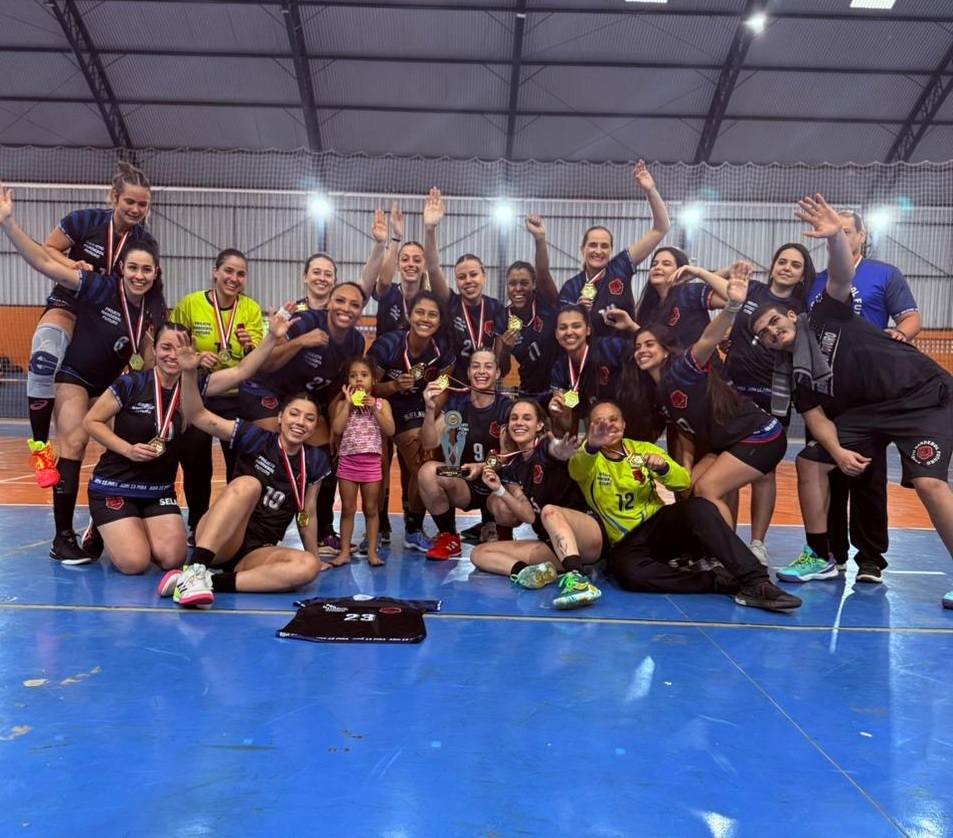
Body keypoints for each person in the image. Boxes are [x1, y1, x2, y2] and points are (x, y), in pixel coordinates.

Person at [750, 194, 953, 608]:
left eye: (774, 321)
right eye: (765, 334)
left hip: (921, 398)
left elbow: (841, 276)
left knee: (930, 484)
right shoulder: (798, 374)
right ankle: (820, 555)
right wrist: (839, 451)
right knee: (810, 462)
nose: (772, 331)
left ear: (792, 316)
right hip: (868, 414)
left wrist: (833, 241)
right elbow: (815, 417)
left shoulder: (825, 314)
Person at [0, 183, 167, 563]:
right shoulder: (99, 284)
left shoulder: (153, 313)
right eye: (133, 268)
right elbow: (44, 261)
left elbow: (151, 358)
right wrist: (8, 224)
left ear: (155, 273)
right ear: (122, 268)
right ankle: (61, 533)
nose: (139, 276)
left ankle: (102, 525)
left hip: (109, 384)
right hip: (75, 377)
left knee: (131, 444)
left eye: (147, 270)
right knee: (72, 441)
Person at [81, 310, 290, 574]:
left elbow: (241, 371)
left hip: (157, 490)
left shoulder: (194, 387)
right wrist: (127, 449)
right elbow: (91, 422)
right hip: (115, 485)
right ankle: (100, 524)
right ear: (154, 350)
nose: (172, 355)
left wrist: (271, 337)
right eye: (165, 347)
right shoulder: (131, 384)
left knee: (172, 560)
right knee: (135, 563)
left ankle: (132, 524)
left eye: (179, 348)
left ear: (190, 351)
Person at [613, 264, 788, 550]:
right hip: (730, 443)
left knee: (708, 488)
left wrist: (731, 307)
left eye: (650, 345)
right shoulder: (659, 392)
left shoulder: (683, 368)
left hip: (761, 436)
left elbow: (708, 338)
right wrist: (685, 468)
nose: (642, 350)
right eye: (638, 347)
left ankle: (730, 555)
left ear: (666, 349)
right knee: (689, 489)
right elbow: (685, 432)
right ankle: (706, 548)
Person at [568, 401, 803, 612]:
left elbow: (682, 482)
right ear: (590, 428)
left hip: (658, 527)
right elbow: (577, 469)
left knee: (699, 507)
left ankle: (756, 582)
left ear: (624, 424)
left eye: (613, 420)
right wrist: (592, 446)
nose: (607, 425)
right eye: (599, 422)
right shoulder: (587, 456)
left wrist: (663, 469)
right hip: (625, 543)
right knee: (629, 574)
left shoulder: (642, 449)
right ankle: (720, 581)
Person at [159, 348, 333, 608]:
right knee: (249, 484)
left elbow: (307, 515)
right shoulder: (255, 437)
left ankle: (206, 581)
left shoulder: (315, 461)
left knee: (306, 568)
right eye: (294, 414)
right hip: (221, 538)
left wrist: (315, 556)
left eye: (310, 419)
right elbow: (198, 415)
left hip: (257, 550)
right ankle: (196, 568)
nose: (301, 422)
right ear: (280, 417)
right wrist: (188, 372)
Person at [675, 245, 815, 563]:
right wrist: (697, 271)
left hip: (772, 397)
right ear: (772, 264)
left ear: (803, 273)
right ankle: (728, 537)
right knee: (729, 471)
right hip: (734, 394)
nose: (787, 268)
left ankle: (757, 543)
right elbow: (724, 289)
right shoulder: (751, 290)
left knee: (764, 473)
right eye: (782, 261)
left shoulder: (799, 308)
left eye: (795, 265)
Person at [806, 209, 922, 578]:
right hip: (824, 389)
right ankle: (830, 552)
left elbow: (910, 317)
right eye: (830, 232)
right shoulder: (815, 280)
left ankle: (870, 557)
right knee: (828, 470)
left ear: (860, 235)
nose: (835, 236)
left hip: (870, 389)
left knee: (868, 475)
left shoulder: (884, 274)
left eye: (843, 231)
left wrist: (901, 335)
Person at [25, 162, 154, 488]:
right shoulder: (84, 221)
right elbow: (48, 248)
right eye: (130, 202)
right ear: (114, 197)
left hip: (112, 319)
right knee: (43, 359)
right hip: (72, 303)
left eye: (143, 204)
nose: (136, 209)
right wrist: (73, 263)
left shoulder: (145, 241)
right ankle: (40, 449)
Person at [240, 281, 367, 556]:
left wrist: (335, 427)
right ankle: (249, 523)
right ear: (329, 303)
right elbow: (268, 362)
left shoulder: (356, 341)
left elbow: (336, 388)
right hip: (266, 390)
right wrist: (301, 341)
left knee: (325, 456)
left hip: (302, 400)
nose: (346, 308)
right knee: (271, 446)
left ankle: (324, 533)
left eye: (354, 304)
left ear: (361, 311)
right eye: (341, 301)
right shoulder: (307, 321)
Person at [469, 399, 604, 609]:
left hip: (587, 535)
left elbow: (556, 450)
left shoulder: (545, 448)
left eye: (526, 418)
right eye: (514, 418)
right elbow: (529, 516)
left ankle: (578, 581)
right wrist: (499, 489)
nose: (519, 423)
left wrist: (562, 453)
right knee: (479, 553)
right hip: (554, 544)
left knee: (549, 512)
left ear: (540, 425)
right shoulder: (513, 467)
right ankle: (528, 573)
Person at [170, 248, 265, 536]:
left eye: (240, 274)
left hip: (237, 398)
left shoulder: (250, 310)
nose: (234, 278)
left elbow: (259, 359)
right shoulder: (190, 304)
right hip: (199, 394)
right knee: (197, 464)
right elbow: (173, 347)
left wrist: (250, 346)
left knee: (239, 465)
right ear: (215, 271)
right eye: (228, 271)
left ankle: (234, 524)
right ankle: (198, 523)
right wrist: (196, 360)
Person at [367, 290, 456, 551]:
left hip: (415, 410)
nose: (425, 319)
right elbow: (368, 387)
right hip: (380, 407)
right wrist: (393, 385)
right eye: (420, 312)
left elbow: (444, 391)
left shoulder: (443, 354)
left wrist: (432, 405)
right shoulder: (387, 345)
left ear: (439, 321)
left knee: (425, 461)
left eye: (432, 314)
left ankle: (413, 528)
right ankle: (378, 527)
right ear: (409, 314)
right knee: (376, 470)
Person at [416, 350, 513, 559]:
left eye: (488, 366)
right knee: (428, 472)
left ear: (497, 373)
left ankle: (498, 529)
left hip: (497, 485)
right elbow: (429, 442)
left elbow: (506, 456)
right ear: (468, 372)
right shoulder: (458, 405)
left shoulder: (506, 407)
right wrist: (430, 409)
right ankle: (449, 537)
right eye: (476, 366)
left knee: (498, 548)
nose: (481, 371)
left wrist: (482, 467)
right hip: (465, 482)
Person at [558, 160, 671, 339]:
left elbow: (661, 227)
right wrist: (577, 312)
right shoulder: (570, 288)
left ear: (611, 251)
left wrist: (650, 190)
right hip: (588, 360)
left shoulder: (620, 266)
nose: (598, 251)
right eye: (593, 245)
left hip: (624, 357)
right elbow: (563, 331)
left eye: (604, 246)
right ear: (583, 249)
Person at [421, 188, 508, 381]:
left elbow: (504, 364)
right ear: (456, 282)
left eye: (473, 274)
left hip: (484, 385)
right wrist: (430, 229)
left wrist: (506, 351)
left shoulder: (496, 308)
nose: (468, 281)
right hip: (452, 385)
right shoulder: (450, 302)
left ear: (484, 275)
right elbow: (433, 268)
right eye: (462, 277)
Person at [328, 357, 395, 568]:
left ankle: (372, 553)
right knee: (347, 508)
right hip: (347, 462)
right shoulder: (342, 404)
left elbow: (391, 430)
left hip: (371, 463)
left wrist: (374, 408)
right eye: (353, 375)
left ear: (373, 381)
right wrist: (347, 404)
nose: (359, 379)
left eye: (364, 375)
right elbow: (337, 429)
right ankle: (345, 552)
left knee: (371, 508)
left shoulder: (382, 404)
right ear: (347, 380)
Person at [497, 215, 561, 405]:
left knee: (565, 415)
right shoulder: (502, 317)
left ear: (534, 285)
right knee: (522, 427)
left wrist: (539, 239)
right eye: (512, 284)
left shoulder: (545, 302)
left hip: (561, 388)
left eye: (524, 283)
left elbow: (542, 272)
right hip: (528, 392)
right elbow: (503, 370)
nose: (518, 289)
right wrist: (505, 350)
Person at [548, 305, 632, 436]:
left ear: (587, 330)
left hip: (625, 419)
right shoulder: (559, 368)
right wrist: (560, 413)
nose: (569, 332)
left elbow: (645, 347)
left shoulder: (609, 347)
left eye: (576, 326)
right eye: (563, 328)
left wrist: (631, 326)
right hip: (593, 421)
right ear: (557, 334)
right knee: (556, 418)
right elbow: (567, 426)